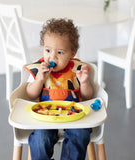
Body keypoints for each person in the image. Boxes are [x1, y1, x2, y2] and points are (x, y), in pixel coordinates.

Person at [25, 18, 93, 160]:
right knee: (40, 139)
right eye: (48, 50)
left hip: (73, 116)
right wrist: (39, 80)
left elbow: (87, 96)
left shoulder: (77, 70)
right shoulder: (40, 69)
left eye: (60, 52)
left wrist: (84, 83)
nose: (52, 56)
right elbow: (30, 94)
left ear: (72, 53)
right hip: (45, 116)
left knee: (80, 134)